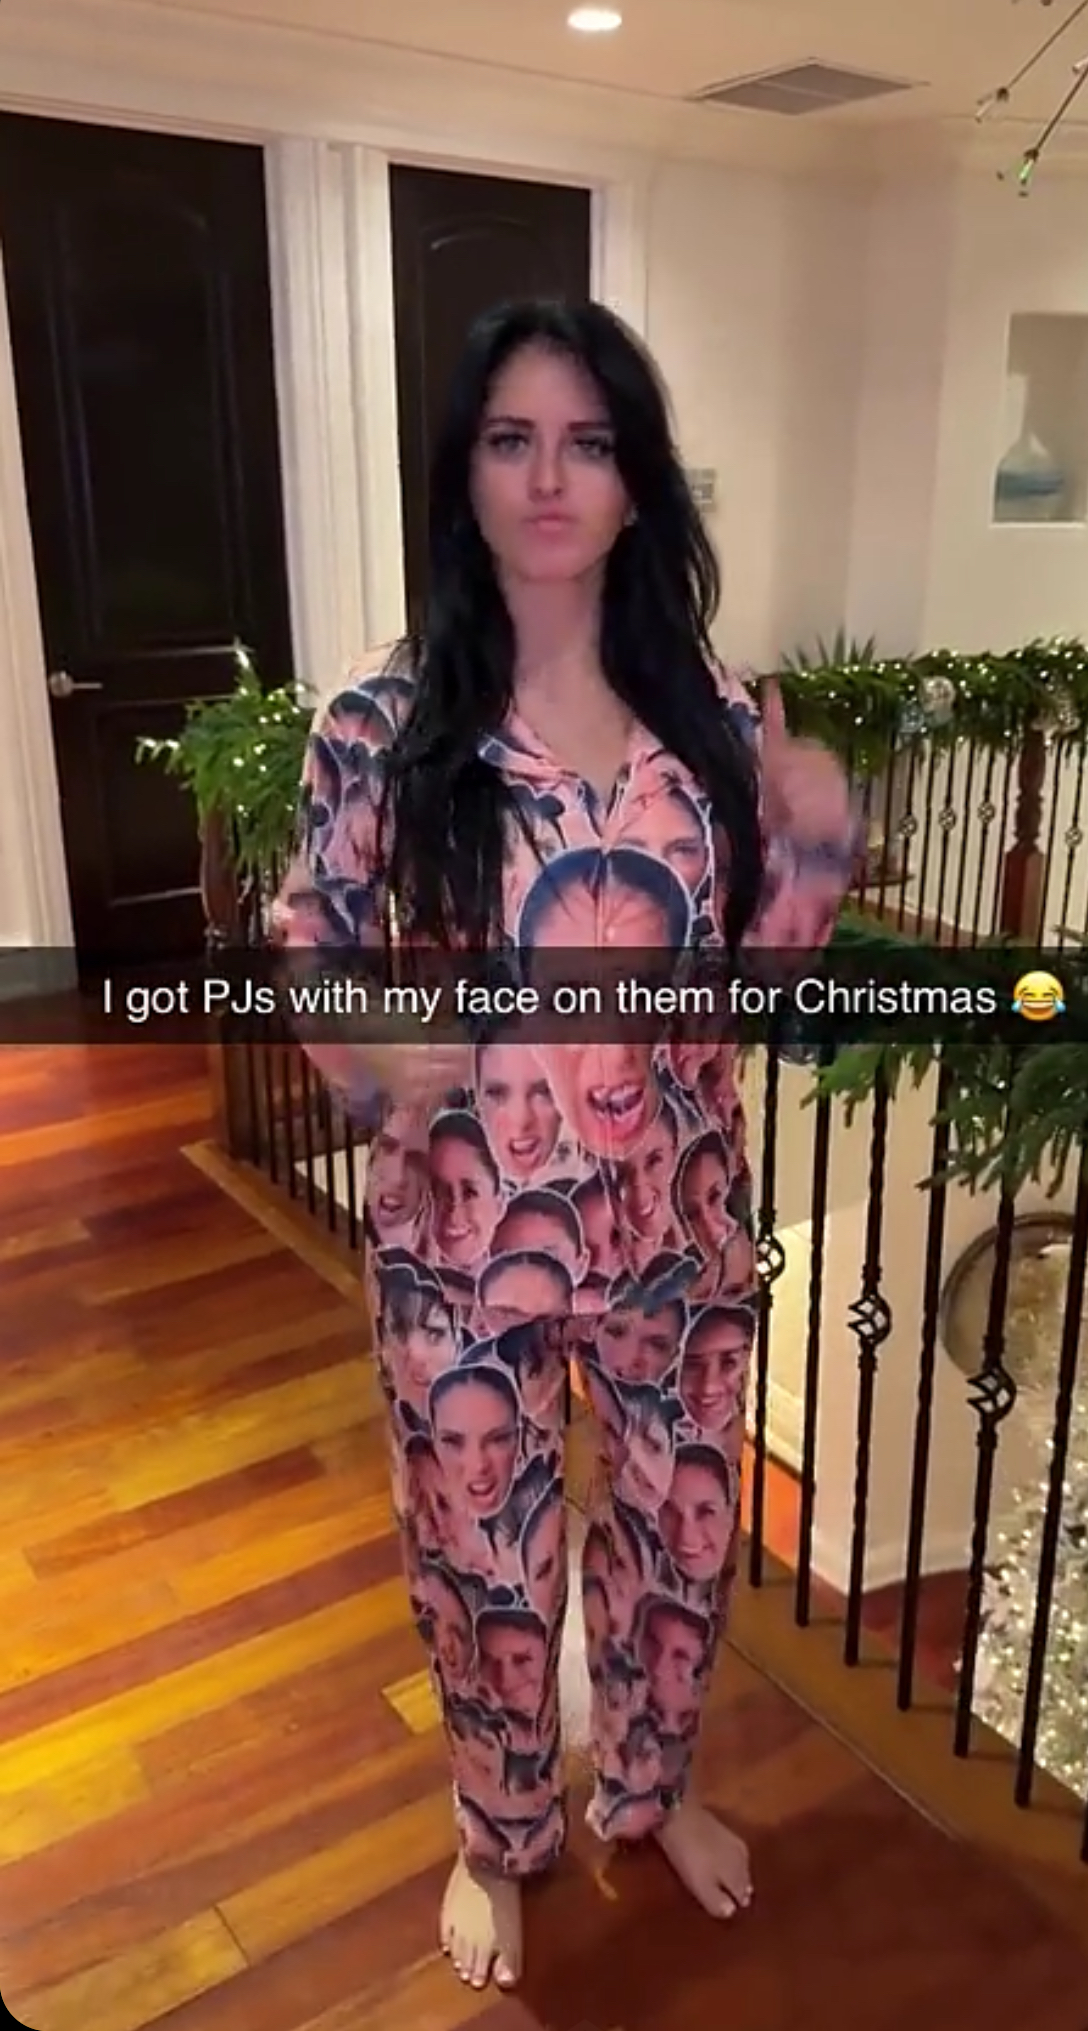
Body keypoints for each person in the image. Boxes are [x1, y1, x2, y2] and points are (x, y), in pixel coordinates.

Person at [273, 296, 859, 1991]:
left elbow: (748, 990)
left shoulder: (712, 718)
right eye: (510, 440)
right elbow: (308, 936)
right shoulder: (382, 725)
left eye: (586, 442)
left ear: (632, 479)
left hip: (678, 1225)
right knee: (489, 1565)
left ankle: (650, 1792)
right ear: (462, 474)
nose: (548, 479)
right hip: (463, 1245)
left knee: (679, 1540)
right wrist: (371, 1045)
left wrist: (811, 855)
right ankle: (500, 1831)